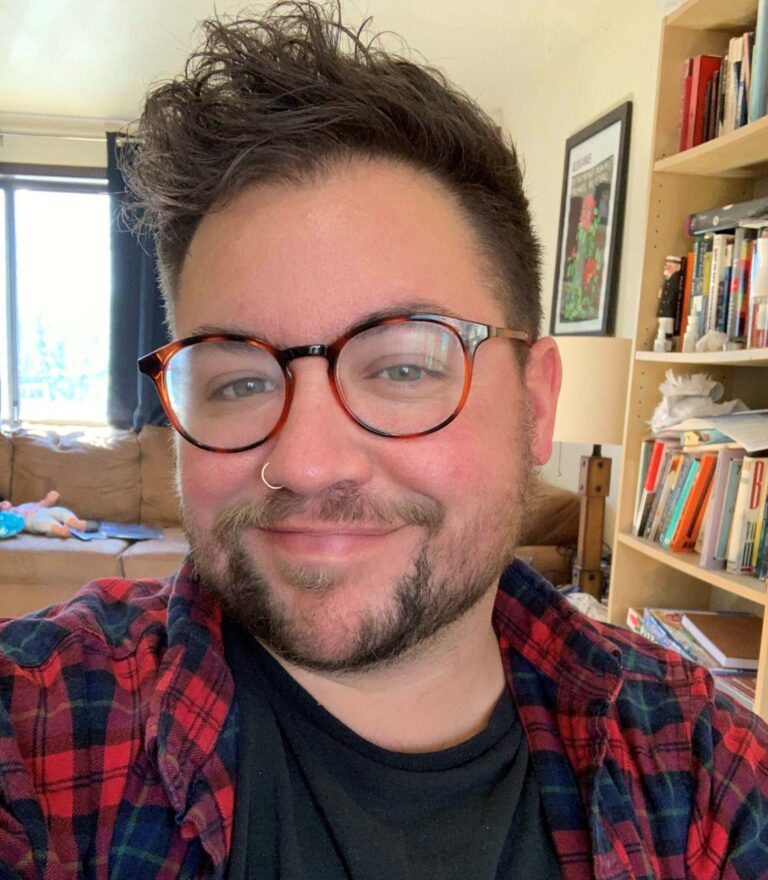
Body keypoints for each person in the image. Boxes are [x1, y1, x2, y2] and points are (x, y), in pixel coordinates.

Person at [1, 3, 767, 878]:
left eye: (404, 367)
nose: (305, 462)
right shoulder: (43, 730)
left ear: (536, 404)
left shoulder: (706, 777)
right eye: (240, 381)